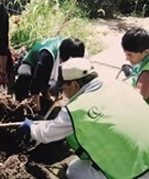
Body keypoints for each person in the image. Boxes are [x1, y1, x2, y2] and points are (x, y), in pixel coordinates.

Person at [19, 58, 149, 179]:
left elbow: (46, 134)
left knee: (74, 171)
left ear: (75, 85)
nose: (64, 94)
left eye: (64, 88)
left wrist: (31, 128)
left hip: (136, 172)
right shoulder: (116, 84)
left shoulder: (77, 109)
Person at [14, 36, 85, 112]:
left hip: (49, 69)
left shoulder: (78, 51)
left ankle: (46, 96)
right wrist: (37, 110)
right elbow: (36, 83)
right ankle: (20, 103)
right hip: (31, 64)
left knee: (53, 91)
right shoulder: (47, 55)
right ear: (62, 57)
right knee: (24, 76)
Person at [121, 27, 149, 103]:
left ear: (145, 52)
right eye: (126, 54)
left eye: (130, 55)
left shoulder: (146, 74)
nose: (126, 58)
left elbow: (138, 97)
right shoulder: (143, 58)